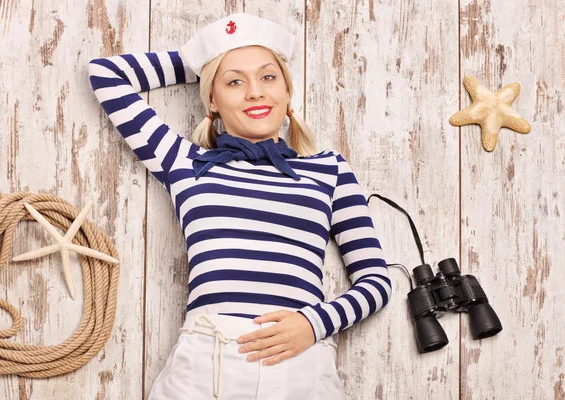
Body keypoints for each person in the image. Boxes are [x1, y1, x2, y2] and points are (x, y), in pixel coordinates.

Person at [88, 12, 392, 400]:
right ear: (212, 99)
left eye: (268, 77)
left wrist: (313, 323)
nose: (255, 92)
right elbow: (105, 75)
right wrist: (205, 56)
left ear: (287, 90)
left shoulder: (328, 169)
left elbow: (377, 282)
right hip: (203, 363)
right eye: (234, 82)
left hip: (299, 365)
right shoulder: (185, 163)